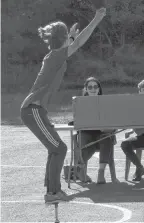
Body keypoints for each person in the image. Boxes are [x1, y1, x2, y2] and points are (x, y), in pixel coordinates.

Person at [19, 8, 106, 204]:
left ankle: (53, 191)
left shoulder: (54, 54)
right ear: (63, 39)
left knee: (56, 149)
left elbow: (73, 44)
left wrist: (71, 37)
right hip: (33, 111)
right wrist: (96, 19)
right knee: (59, 149)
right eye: (67, 36)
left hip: (35, 111)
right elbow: (81, 42)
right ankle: (52, 193)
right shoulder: (57, 55)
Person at [73, 77, 117, 184]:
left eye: (95, 86)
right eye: (90, 87)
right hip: (87, 134)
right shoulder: (80, 102)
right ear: (86, 89)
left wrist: (108, 127)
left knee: (105, 138)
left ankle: (100, 173)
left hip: (102, 133)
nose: (93, 89)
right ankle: (79, 169)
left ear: (99, 89)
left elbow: (113, 119)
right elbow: (77, 120)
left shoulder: (106, 102)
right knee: (84, 139)